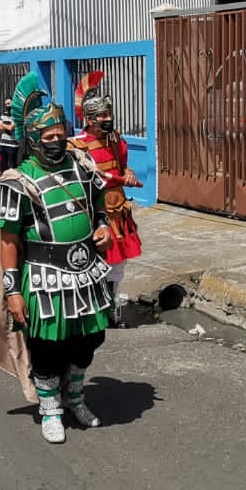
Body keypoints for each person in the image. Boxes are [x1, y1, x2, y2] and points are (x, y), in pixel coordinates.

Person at [0, 71, 115, 445]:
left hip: (86, 273)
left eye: (60, 135)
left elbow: (101, 210)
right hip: (42, 279)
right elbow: (8, 242)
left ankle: (75, 398)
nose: (56, 142)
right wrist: (13, 292)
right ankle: (50, 409)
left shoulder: (83, 167)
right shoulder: (16, 181)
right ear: (33, 139)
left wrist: (104, 228)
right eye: (48, 137)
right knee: (47, 348)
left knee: (86, 341)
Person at [70, 72, 143, 328]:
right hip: (93, 212)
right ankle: (91, 310)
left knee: (117, 264)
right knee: (92, 262)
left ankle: (110, 311)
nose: (107, 119)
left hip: (118, 209)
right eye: (101, 116)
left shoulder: (116, 140)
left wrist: (128, 173)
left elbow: (123, 167)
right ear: (89, 120)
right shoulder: (77, 146)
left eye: (108, 114)